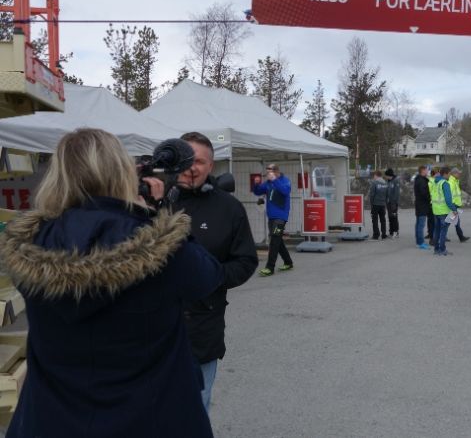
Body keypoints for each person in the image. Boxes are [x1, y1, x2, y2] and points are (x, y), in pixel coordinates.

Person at [0, 128, 223, 438]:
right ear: (122, 171)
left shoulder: (31, 245)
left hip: (52, 420)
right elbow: (207, 276)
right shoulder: (157, 243)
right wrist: (157, 215)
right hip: (154, 419)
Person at [173, 131, 259, 411]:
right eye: (185, 159)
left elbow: (246, 261)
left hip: (202, 326)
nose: (191, 167)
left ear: (211, 166)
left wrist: (212, 278)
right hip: (152, 324)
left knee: (196, 406)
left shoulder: (229, 208)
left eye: (198, 161)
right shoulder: (154, 202)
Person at [253, 163, 294, 277]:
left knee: (274, 240)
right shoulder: (268, 183)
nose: (267, 174)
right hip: (271, 216)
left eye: (269, 171)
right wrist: (256, 184)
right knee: (278, 240)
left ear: (276, 171)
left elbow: (285, 191)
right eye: (267, 172)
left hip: (281, 217)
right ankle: (288, 262)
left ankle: (270, 267)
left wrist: (275, 180)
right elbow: (257, 191)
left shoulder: (285, 181)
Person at [431, 166, 458, 256]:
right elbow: (448, 200)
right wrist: (454, 209)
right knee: (443, 231)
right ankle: (442, 249)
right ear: (445, 174)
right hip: (444, 211)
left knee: (437, 230)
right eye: (449, 174)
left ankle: (436, 249)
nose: (450, 176)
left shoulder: (436, 182)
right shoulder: (445, 183)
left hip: (436, 211)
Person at [449, 167, 471, 242]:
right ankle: (461, 237)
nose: (459, 174)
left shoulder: (455, 181)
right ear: (454, 173)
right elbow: (450, 195)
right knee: (450, 223)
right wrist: (452, 207)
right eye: (458, 173)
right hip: (453, 206)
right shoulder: (451, 182)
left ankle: (461, 237)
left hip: (455, 206)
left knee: (452, 222)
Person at [413, 165, 432, 249]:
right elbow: (424, 193)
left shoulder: (419, 179)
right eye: (426, 170)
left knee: (418, 224)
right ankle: (420, 242)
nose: (427, 172)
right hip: (422, 205)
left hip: (420, 204)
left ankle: (418, 241)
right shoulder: (421, 180)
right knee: (421, 224)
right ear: (422, 171)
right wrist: (430, 198)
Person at [368, 170, 389, 240]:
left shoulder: (374, 183)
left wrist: (371, 203)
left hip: (375, 204)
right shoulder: (385, 183)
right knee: (383, 220)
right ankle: (384, 234)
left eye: (374, 175)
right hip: (383, 204)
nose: (373, 177)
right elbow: (387, 195)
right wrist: (385, 203)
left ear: (376, 175)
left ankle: (376, 235)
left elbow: (372, 194)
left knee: (375, 220)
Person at [385, 168, 400, 238]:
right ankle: (391, 231)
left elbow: (396, 193)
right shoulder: (388, 181)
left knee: (394, 217)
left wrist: (393, 202)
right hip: (388, 202)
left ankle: (396, 231)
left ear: (389, 175)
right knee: (390, 217)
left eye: (386, 175)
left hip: (393, 203)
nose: (385, 177)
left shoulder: (395, 181)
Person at [426, 167, 438, 245]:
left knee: (431, 221)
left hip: (431, 203)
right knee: (433, 221)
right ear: (435, 174)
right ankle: (432, 237)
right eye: (437, 173)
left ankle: (431, 235)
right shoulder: (433, 182)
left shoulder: (430, 181)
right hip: (432, 204)